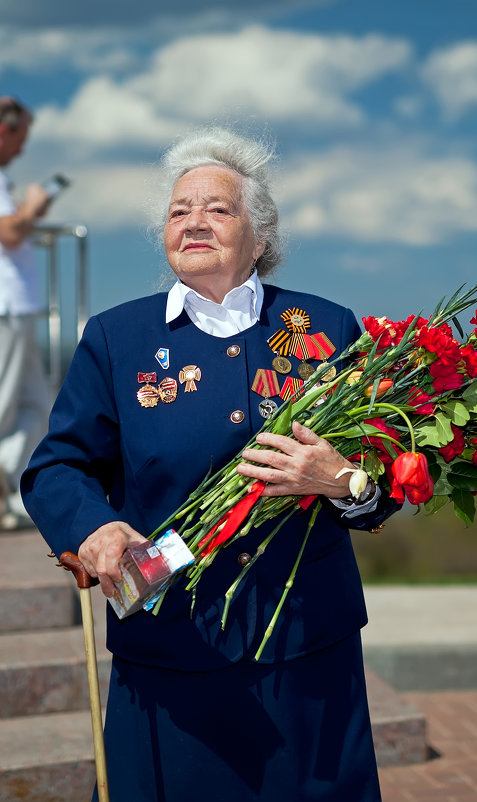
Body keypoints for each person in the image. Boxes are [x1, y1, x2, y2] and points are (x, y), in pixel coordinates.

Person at [21, 127, 402, 802]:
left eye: (217, 208)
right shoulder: (115, 337)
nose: (193, 220)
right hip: (170, 644)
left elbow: (383, 483)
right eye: (177, 211)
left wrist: (339, 480)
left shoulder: (330, 328)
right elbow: (59, 467)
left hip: (307, 648)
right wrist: (96, 529)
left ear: (259, 237)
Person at [0, 97, 52, 530]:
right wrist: (32, 205)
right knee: (5, 407)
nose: (21, 149)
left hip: (17, 307)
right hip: (6, 306)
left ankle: (22, 494)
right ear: (5, 129)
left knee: (34, 405)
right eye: (20, 138)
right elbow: (10, 231)